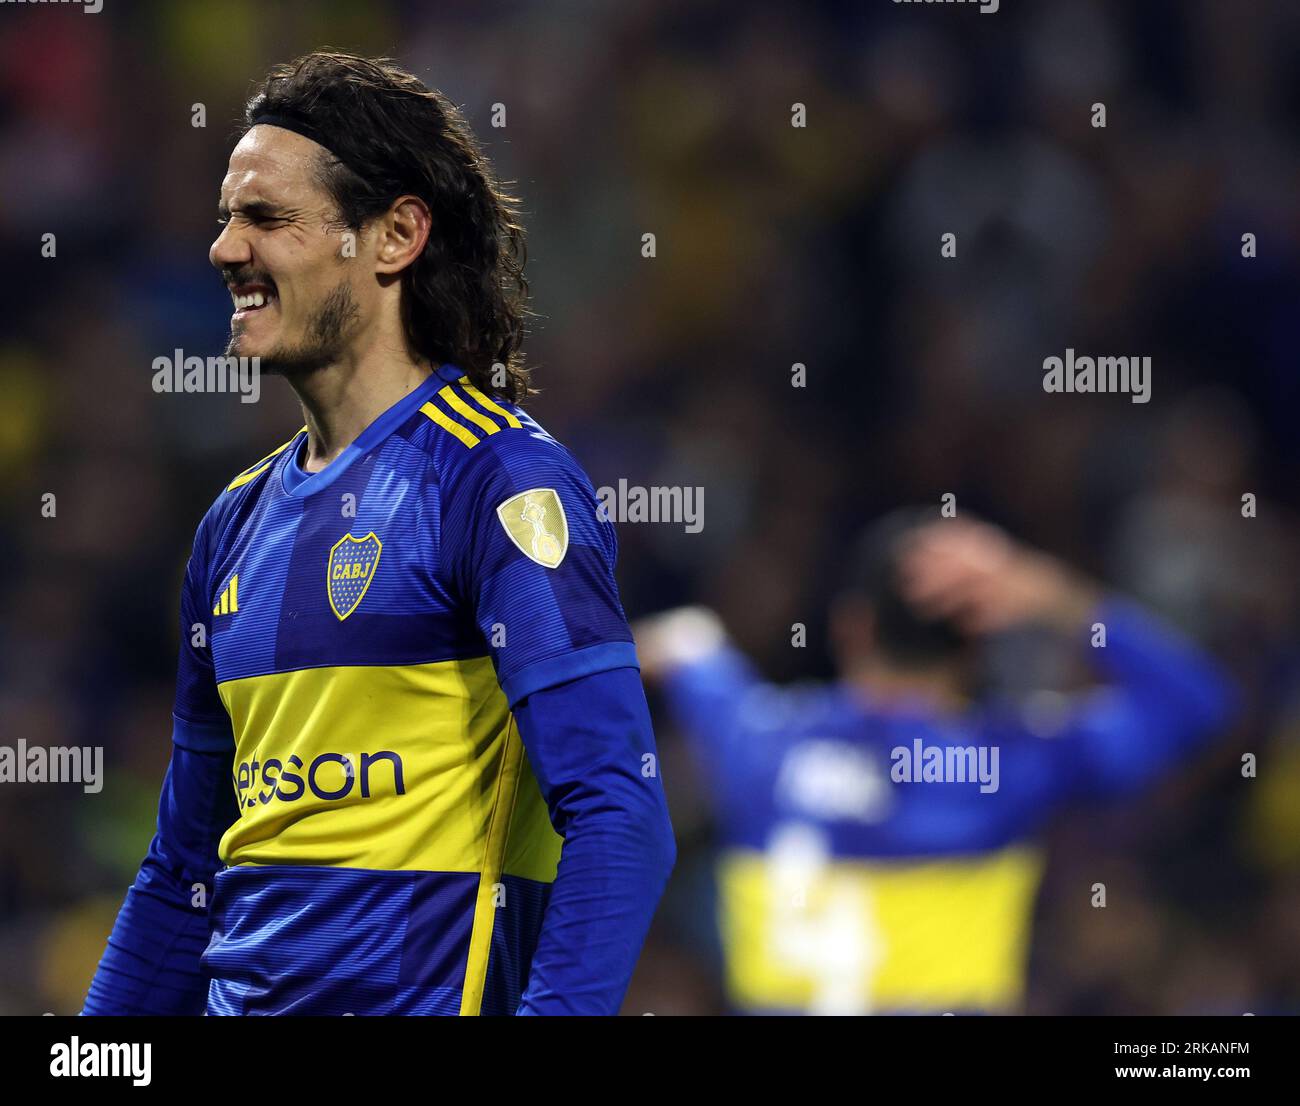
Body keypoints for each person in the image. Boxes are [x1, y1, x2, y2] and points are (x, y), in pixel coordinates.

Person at [83, 52, 674, 1017]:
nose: (225, 249)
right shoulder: (233, 526)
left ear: (394, 235)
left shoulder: (496, 481)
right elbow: (183, 871)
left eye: (266, 218)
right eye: (226, 217)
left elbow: (620, 816)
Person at [635, 511, 1233, 1014]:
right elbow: (1196, 705)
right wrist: (1054, 596)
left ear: (852, 628)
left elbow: (680, 641)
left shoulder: (752, 736)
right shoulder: (1009, 763)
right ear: (980, 637)